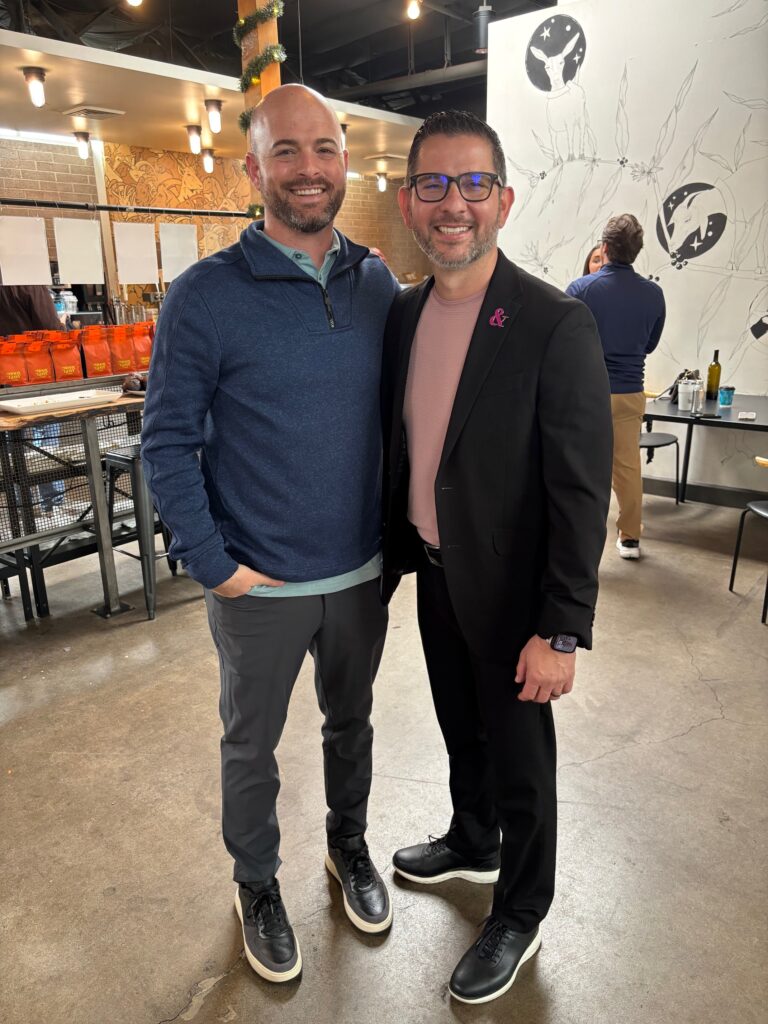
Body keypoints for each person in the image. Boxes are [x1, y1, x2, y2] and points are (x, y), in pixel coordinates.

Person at [141, 84, 400, 984]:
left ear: (345, 162)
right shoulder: (203, 298)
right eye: (285, 151)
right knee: (250, 747)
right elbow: (166, 443)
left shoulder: (377, 285)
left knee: (352, 724)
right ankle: (256, 882)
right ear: (253, 169)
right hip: (260, 585)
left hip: (361, 572)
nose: (307, 168)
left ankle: (348, 846)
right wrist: (213, 564)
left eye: (323, 149)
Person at [381, 110, 612, 1005]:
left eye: (474, 183)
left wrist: (562, 629)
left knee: (522, 761)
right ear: (408, 201)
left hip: (517, 595)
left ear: (504, 201)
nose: (454, 204)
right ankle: (473, 840)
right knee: (458, 727)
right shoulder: (404, 314)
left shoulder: (553, 323)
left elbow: (580, 492)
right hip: (438, 575)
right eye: (433, 184)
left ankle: (520, 909)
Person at [566, 214, 665, 559]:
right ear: (636, 251)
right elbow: (649, 344)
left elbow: (564, 342)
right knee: (627, 468)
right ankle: (630, 538)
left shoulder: (581, 289)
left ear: (605, 247)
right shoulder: (654, 294)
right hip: (630, 391)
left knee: (579, 467)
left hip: (586, 392)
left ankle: (578, 537)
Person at [0, 284, 65, 514]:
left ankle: (24, 506)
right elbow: (50, 328)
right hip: (36, 372)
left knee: (15, 445)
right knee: (46, 442)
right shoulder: (28, 281)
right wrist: (63, 325)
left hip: (5, 375)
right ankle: (51, 506)